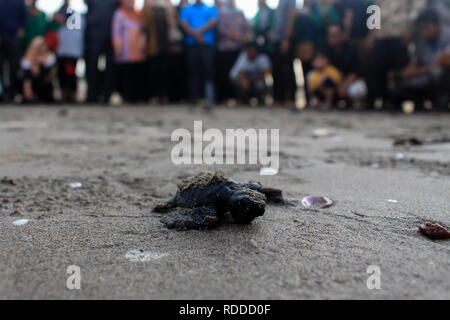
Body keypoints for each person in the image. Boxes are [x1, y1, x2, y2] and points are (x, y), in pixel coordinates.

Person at [399, 9, 450, 110]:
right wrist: (408, 71)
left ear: (437, 25)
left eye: (427, 27)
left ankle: (442, 103)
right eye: (421, 28)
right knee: (404, 85)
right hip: (426, 77)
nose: (424, 32)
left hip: (442, 77)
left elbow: (443, 63)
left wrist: (416, 71)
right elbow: (414, 62)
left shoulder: (448, 35)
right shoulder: (420, 39)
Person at [179, 0, 219, 109]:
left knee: (208, 72)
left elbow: (213, 21)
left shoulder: (211, 8)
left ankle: (209, 100)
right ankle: (193, 100)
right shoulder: (186, 9)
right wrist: (197, 34)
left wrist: (197, 32)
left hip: (207, 45)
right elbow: (184, 24)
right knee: (193, 72)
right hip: (192, 45)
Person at [141, 0, 180, 104]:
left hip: (167, 45)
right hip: (153, 45)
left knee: (165, 71)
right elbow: (144, 25)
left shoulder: (168, 5)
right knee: (153, 71)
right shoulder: (148, 5)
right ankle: (155, 95)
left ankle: (164, 95)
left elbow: (175, 20)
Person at [84, 0, 120, 104]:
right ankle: (92, 95)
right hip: (94, 35)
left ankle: (107, 95)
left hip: (111, 36)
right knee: (91, 67)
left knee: (110, 68)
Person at [112, 0, 146, 103]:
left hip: (139, 50)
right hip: (125, 50)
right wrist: (117, 46)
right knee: (126, 74)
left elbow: (143, 30)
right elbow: (116, 32)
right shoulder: (119, 14)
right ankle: (126, 97)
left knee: (137, 73)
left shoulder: (139, 14)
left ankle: (137, 97)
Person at [217, 0, 250, 104]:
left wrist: (243, 37)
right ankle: (225, 98)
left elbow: (248, 28)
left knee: (236, 74)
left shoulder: (240, 13)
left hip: (238, 50)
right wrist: (239, 37)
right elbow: (222, 30)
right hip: (225, 50)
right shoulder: (222, 13)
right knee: (224, 74)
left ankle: (237, 98)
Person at [54, 0, 86, 103]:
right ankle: (63, 94)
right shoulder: (62, 13)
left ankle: (72, 94)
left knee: (71, 74)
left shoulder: (77, 15)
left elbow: (66, 20)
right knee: (61, 74)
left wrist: (59, 17)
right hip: (62, 51)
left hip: (72, 51)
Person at [325, 23, 363, 105]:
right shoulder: (325, 49)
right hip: (333, 82)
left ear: (342, 35)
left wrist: (344, 85)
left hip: (349, 83)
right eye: (330, 35)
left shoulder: (351, 49)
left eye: (334, 35)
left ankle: (354, 102)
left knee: (357, 90)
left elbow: (355, 71)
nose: (332, 38)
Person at [0, 0, 27, 103]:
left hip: (11, 36)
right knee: (11, 66)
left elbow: (23, 18)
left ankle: (11, 93)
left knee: (13, 66)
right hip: (9, 37)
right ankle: (7, 93)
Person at [273, 0, 297, 107]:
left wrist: (286, 39)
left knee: (288, 69)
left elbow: (292, 17)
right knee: (277, 69)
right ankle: (280, 98)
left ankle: (291, 98)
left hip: (285, 40)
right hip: (278, 39)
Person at [21, 37, 56, 103]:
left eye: (43, 45)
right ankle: (29, 96)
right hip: (33, 85)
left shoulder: (50, 57)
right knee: (27, 79)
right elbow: (27, 76)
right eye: (39, 46)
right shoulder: (27, 60)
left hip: (44, 85)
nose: (42, 48)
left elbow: (51, 73)